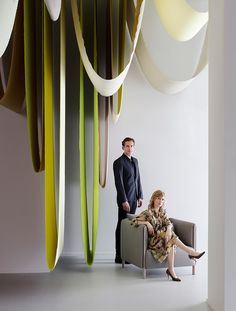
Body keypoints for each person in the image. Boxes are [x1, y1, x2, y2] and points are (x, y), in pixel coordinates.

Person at [132, 190, 205, 281]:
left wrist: (169, 230)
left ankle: (171, 270)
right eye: (158, 198)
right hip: (154, 241)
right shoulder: (147, 213)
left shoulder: (162, 213)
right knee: (170, 238)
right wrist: (147, 223)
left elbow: (169, 223)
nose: (160, 201)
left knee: (170, 239)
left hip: (164, 239)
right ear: (153, 199)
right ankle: (190, 252)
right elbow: (134, 221)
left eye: (162, 199)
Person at [113, 137, 143, 264]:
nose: (129, 148)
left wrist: (140, 196)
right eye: (127, 146)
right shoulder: (118, 162)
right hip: (124, 200)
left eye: (131, 146)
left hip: (134, 199)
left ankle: (128, 254)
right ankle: (119, 255)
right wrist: (124, 200)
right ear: (123, 147)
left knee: (130, 226)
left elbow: (138, 179)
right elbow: (118, 183)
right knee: (122, 226)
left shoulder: (135, 161)